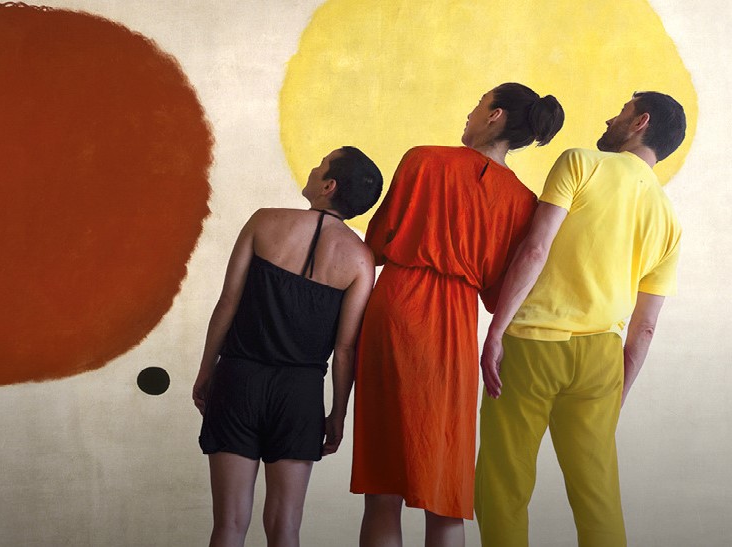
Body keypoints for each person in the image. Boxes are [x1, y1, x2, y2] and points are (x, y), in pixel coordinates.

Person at [351, 83, 565, 547]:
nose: (469, 114)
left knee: (382, 489)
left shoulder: (422, 160)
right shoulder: (523, 201)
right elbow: (496, 291)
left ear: (495, 115)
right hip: (456, 328)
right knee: (446, 491)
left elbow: (379, 243)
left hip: (396, 310)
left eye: (477, 106)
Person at [475, 91, 686, 547]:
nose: (611, 118)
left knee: (504, 484)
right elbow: (646, 326)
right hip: (602, 360)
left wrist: (496, 330)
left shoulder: (581, 163)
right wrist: (617, 393)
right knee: (598, 497)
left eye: (622, 112)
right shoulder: (670, 219)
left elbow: (535, 249)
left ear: (640, 122)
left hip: (532, 345)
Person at [193, 146, 383, 547]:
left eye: (321, 165)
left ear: (329, 186)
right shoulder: (361, 261)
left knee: (229, 524)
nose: (313, 169)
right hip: (300, 397)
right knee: (285, 528)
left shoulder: (264, 222)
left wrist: (207, 370)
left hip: (238, 379)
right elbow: (345, 350)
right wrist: (338, 413)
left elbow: (227, 302)